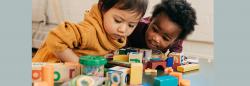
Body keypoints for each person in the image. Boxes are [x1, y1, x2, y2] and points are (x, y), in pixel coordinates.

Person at [32, 0, 148, 63]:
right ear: (102, 8)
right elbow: (55, 39)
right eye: (117, 20)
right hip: (48, 69)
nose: (123, 30)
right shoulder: (88, 30)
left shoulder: (115, 36)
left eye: (131, 25)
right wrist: (79, 63)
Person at [126, 0, 197, 53]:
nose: (156, 39)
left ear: (174, 41)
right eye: (155, 30)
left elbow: (176, 56)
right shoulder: (134, 27)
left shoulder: (176, 42)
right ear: (150, 20)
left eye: (165, 38)